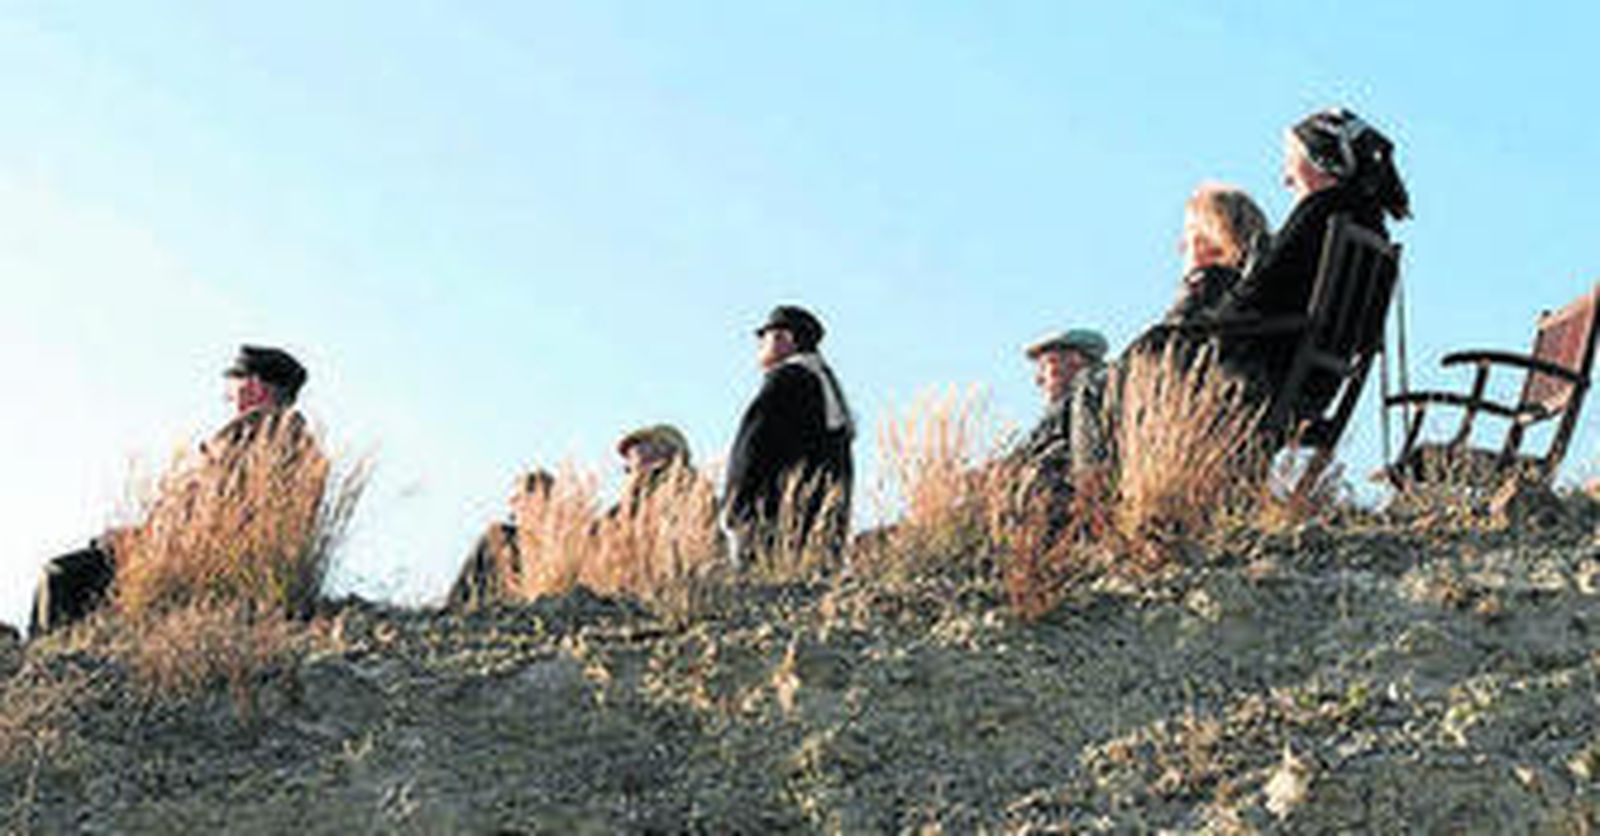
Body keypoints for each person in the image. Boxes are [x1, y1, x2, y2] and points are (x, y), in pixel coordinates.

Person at [30, 345, 316, 637]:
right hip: (222, 564)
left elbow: (206, 514)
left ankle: (45, 663)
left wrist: (140, 539)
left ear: (253, 387)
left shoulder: (249, 436)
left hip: (189, 562)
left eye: (232, 388)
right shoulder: (300, 447)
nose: (227, 398)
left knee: (60, 575)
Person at [1210, 107, 1411, 415]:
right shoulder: (1376, 233)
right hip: (1319, 390)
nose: (1286, 178)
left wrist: (1207, 321)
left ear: (1322, 161)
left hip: (1259, 379)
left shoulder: (1320, 213)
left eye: (1292, 162)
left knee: (1151, 352)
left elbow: (1258, 292)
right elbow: (1368, 337)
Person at [722, 305, 855, 567]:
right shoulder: (825, 386)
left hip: (772, 522)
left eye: (766, 336)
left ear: (787, 339)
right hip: (815, 531)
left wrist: (736, 503)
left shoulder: (787, 379)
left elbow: (753, 445)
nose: (760, 343)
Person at [1009, 328, 1110, 523]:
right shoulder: (1053, 417)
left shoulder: (1090, 395)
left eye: (1049, 364)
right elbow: (1020, 457)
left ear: (1076, 362)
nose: (1039, 380)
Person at [446, 470, 554, 611]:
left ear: (540, 501)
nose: (512, 505)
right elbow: (459, 596)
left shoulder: (565, 548)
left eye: (518, 498)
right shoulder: (499, 538)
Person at [611, 424, 693, 518]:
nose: (628, 465)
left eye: (641, 450)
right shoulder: (635, 497)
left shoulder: (685, 486)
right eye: (629, 457)